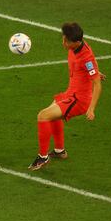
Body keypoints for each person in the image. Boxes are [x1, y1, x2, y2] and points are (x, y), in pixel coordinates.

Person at [28, 23, 104, 171]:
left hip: (79, 100)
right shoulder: (76, 46)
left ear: (76, 42)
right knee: (52, 113)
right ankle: (59, 150)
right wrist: (95, 72)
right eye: (63, 39)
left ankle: (43, 157)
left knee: (43, 116)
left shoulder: (86, 57)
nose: (63, 43)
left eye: (66, 41)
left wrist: (91, 108)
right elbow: (90, 70)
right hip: (70, 93)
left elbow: (97, 85)